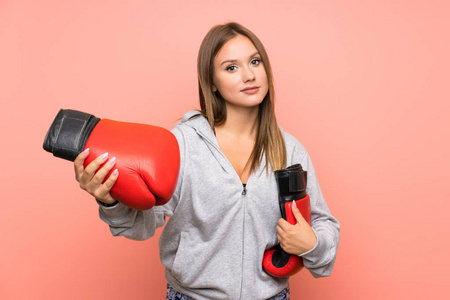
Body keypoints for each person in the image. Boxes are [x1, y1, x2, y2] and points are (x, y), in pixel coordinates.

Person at [73, 22, 340, 300]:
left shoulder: (289, 150)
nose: (249, 75)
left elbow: (323, 224)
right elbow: (140, 224)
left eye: (255, 61)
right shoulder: (181, 145)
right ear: (211, 82)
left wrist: (312, 244)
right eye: (231, 67)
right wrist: (110, 201)